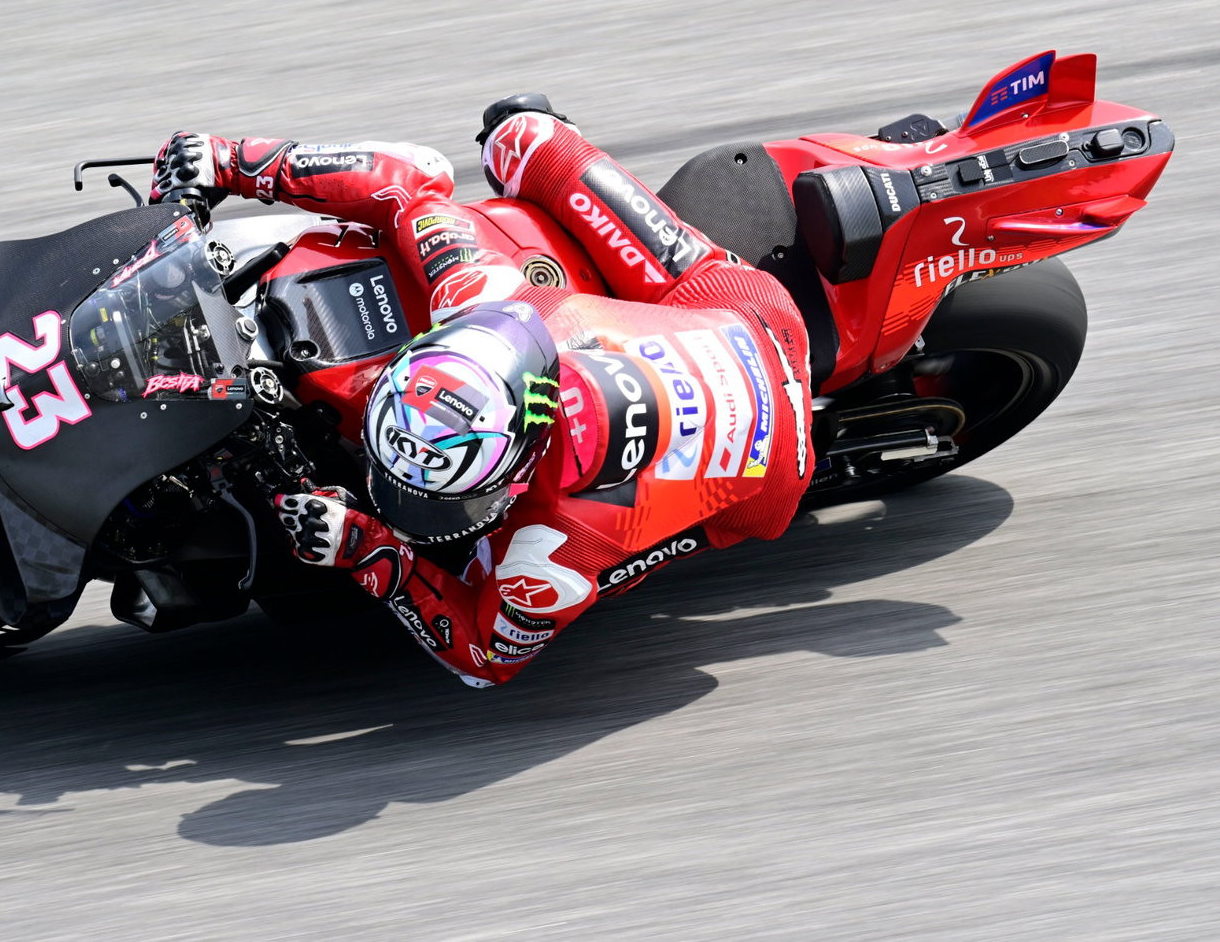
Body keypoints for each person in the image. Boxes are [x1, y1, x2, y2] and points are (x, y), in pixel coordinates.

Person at [148, 96, 813, 686]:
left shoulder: (555, 542)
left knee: (599, 560)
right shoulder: (480, 297)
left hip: (771, 438)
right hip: (712, 321)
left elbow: (484, 658)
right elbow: (410, 182)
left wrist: (369, 549)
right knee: (520, 135)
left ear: (517, 473)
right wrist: (231, 162)